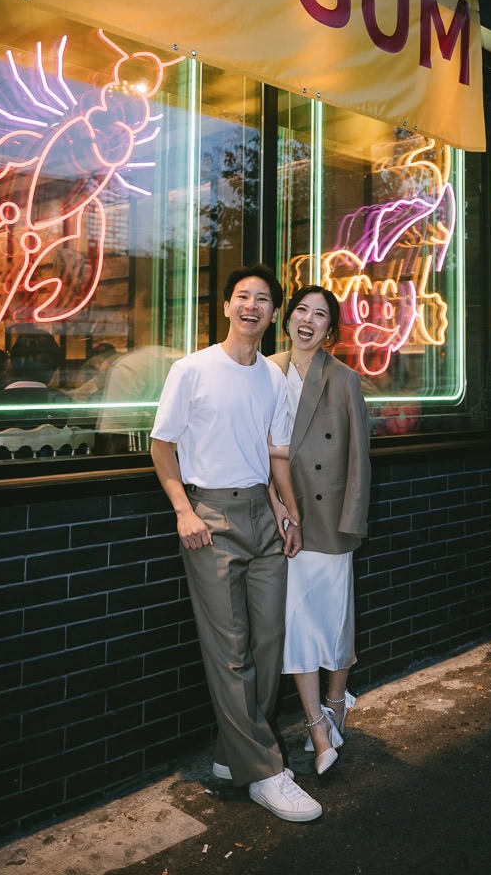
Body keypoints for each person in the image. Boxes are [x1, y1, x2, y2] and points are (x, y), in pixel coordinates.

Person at [150, 263, 322, 823]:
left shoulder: (271, 377)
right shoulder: (192, 370)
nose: (252, 306)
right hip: (210, 516)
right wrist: (184, 511)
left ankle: (234, 756)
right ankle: (266, 773)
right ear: (226, 307)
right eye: (243, 297)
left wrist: (287, 512)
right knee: (229, 650)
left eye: (263, 299)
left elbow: (272, 453)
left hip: (262, 513)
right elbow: (162, 445)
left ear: (273, 314)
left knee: (268, 642)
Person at [269, 284, 371, 776]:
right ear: (287, 319)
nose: (307, 321)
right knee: (297, 624)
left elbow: (359, 459)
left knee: (334, 619)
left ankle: (336, 705)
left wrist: (352, 522)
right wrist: (274, 506)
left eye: (320, 315)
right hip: (283, 515)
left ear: (331, 329)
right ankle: (317, 727)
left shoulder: (344, 378)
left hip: (328, 519)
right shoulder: (266, 369)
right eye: (301, 311)